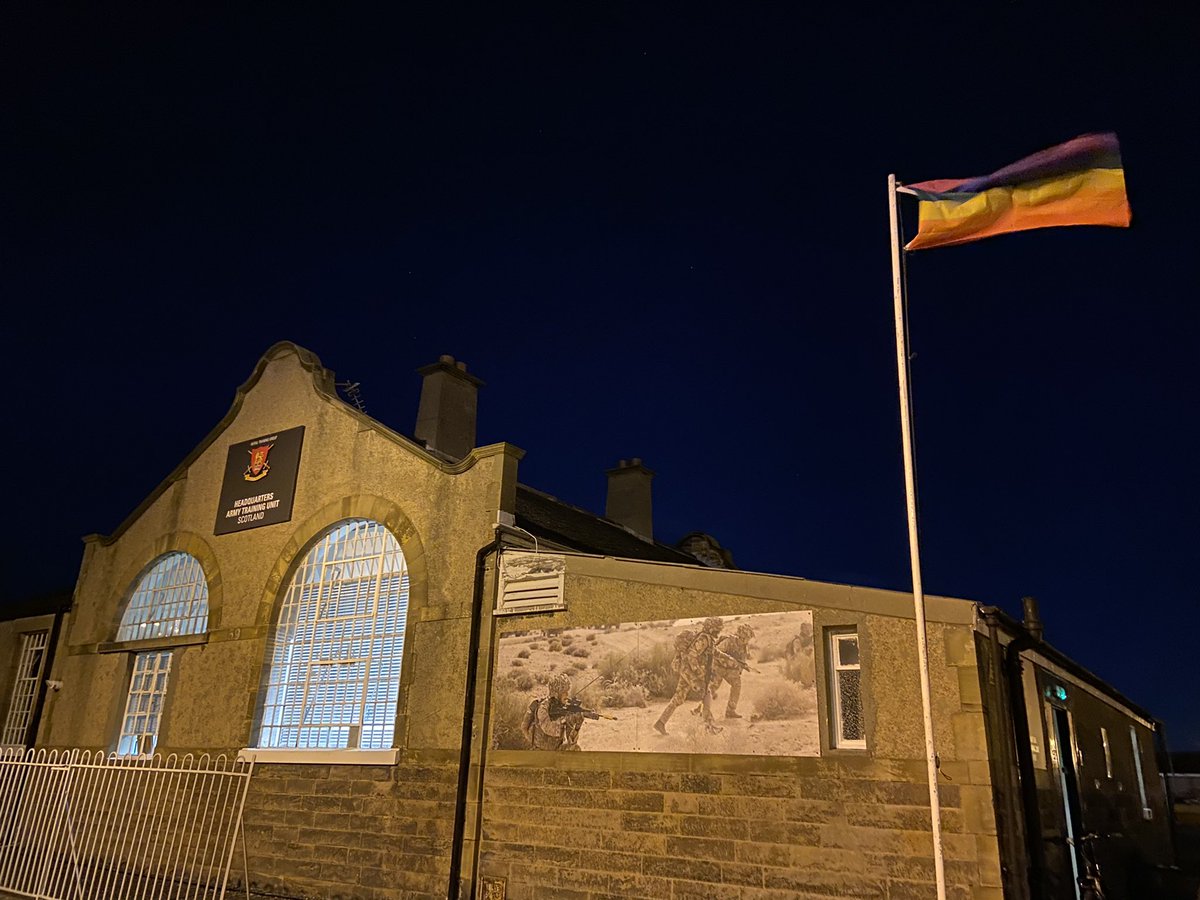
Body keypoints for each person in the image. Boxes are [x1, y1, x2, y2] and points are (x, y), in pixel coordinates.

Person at [654, 617, 738, 736]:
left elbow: (716, 653)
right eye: (718, 629)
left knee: (679, 697)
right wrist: (698, 673)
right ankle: (709, 726)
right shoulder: (704, 639)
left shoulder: (708, 640)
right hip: (690, 672)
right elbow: (691, 656)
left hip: (686, 670)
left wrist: (732, 660)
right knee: (706, 693)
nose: (719, 631)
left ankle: (660, 723)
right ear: (712, 628)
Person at [708, 623, 754, 719]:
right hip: (718, 667)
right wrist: (729, 662)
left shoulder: (745, 646)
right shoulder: (728, 641)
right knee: (712, 688)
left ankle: (730, 711)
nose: (747, 640)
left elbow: (742, 659)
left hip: (730, 670)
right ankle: (702, 710)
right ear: (741, 636)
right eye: (747, 637)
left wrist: (742, 667)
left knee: (737, 685)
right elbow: (716, 653)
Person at [530, 673, 584, 750]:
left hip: (557, 749)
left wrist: (577, 727)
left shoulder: (565, 709)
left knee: (576, 749)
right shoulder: (543, 707)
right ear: (556, 693)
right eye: (564, 692)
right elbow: (548, 728)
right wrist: (564, 720)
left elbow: (570, 741)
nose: (567, 694)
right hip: (541, 751)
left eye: (568, 691)